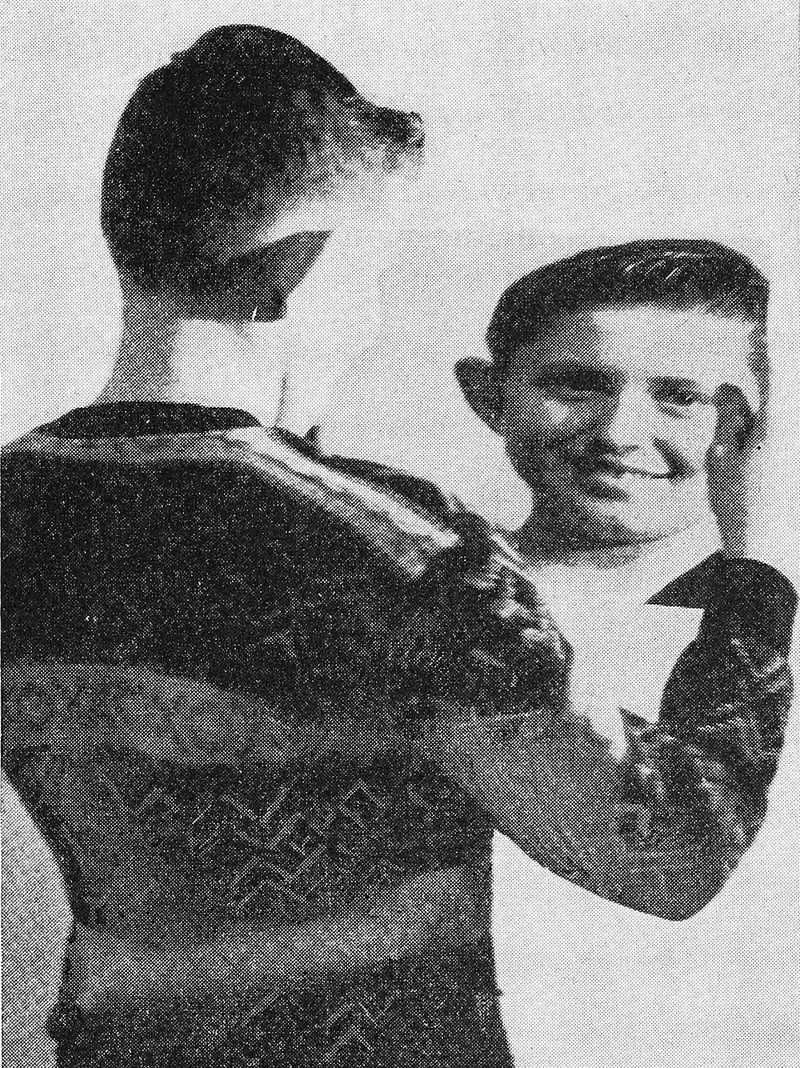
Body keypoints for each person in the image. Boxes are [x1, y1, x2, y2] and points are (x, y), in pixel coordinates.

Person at [2, 27, 794, 1068]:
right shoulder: (397, 548)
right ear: (305, 267)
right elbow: (668, 857)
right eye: (374, 271)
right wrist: (760, 570)